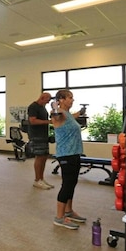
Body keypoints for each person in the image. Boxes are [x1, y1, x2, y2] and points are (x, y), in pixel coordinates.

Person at [51, 89, 87, 229]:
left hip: (75, 153)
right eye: (70, 98)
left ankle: (69, 211)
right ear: (61, 99)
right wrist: (55, 107)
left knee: (72, 183)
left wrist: (81, 111)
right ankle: (59, 218)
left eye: (72, 97)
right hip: (65, 154)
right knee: (67, 184)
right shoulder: (59, 114)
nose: (72, 100)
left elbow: (74, 116)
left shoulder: (69, 115)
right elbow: (55, 116)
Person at [28, 93, 54, 190]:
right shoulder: (33, 106)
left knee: (44, 156)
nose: (49, 101)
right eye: (48, 99)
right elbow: (32, 121)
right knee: (39, 157)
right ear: (42, 98)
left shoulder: (43, 107)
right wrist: (48, 122)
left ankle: (41, 179)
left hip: (44, 135)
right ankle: (37, 180)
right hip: (36, 135)